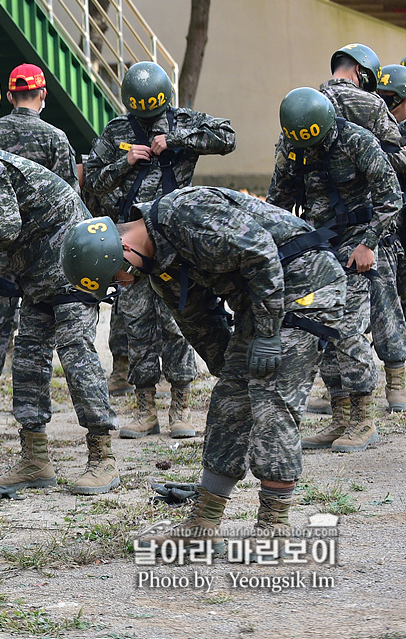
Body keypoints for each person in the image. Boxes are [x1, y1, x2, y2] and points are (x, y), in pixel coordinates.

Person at [62, 186, 349, 557]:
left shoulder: (187, 214)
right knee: (231, 403)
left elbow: (260, 252)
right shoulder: (162, 268)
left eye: (118, 277)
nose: (124, 284)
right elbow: (197, 320)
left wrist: (265, 335)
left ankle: (274, 526)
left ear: (125, 252)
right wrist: (229, 367)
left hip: (305, 284)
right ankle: (204, 523)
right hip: (263, 302)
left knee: (271, 399)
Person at [83, 61, 236, 440]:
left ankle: (181, 407)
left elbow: (228, 137)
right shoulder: (117, 130)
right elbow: (94, 182)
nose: (150, 119)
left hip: (174, 244)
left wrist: (178, 141)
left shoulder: (185, 121)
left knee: (177, 322)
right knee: (137, 325)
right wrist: (125, 161)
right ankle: (144, 407)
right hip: (131, 245)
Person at [0, 150, 119, 495]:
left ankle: (103, 456)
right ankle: (35, 458)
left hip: (75, 267)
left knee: (76, 354)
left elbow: (6, 226)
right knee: (27, 358)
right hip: (37, 272)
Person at [267, 88, 401, 453]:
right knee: (318, 325)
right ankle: (340, 417)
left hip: (357, 240)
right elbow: (277, 201)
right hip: (317, 244)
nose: (310, 149)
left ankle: (364, 418)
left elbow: (392, 198)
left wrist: (369, 243)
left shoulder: (357, 140)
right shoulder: (292, 146)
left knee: (346, 326)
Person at [0, 62, 79, 412]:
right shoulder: (55, 138)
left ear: (9, 96)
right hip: (42, 248)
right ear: (43, 95)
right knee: (40, 319)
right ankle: (36, 394)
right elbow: (68, 196)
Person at [311, 44, 406, 415]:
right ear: (365, 75)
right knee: (382, 305)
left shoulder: (308, 102)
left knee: (332, 314)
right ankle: (393, 384)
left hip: (323, 229)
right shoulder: (370, 107)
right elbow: (397, 157)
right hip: (372, 223)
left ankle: (344, 396)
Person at [378, 62, 406, 411]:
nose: (385, 106)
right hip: (388, 231)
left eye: (392, 100)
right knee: (386, 307)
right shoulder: (381, 129)